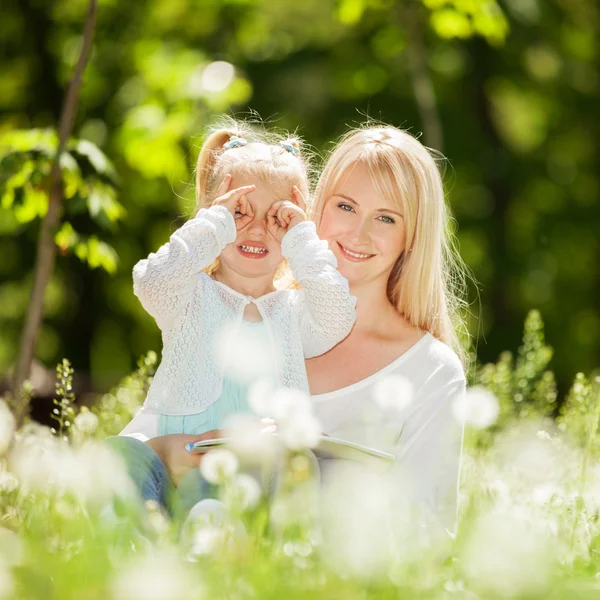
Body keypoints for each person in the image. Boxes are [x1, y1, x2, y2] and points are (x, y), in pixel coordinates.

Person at [107, 122, 357, 516]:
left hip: (260, 476)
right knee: (116, 457)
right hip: (178, 467)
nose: (256, 229)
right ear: (214, 212)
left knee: (299, 470)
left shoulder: (294, 313)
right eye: (240, 211)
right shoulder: (189, 296)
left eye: (277, 218)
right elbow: (150, 281)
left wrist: (302, 239)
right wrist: (214, 223)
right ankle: (130, 557)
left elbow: (338, 315)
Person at [306, 125, 468, 534]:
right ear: (319, 206)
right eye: (345, 207)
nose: (358, 234)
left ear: (411, 238)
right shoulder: (258, 319)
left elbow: (429, 535)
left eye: (385, 218)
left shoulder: (432, 371)